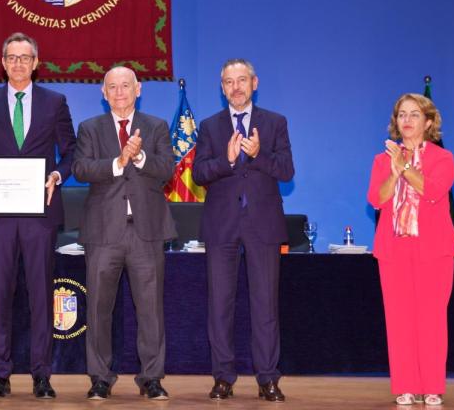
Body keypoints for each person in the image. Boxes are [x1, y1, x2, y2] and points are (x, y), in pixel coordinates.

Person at [0, 32, 77, 399]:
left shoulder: (55, 101)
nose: (18, 63)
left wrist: (58, 175)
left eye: (24, 57)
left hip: (39, 215)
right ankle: (0, 374)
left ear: (35, 62)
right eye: (11, 57)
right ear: (2, 62)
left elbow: (70, 152)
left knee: (41, 296)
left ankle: (42, 374)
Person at [192, 58, 294, 402]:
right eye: (228, 82)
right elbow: (199, 174)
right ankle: (223, 377)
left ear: (254, 83)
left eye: (241, 80)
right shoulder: (209, 126)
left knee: (265, 305)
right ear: (222, 88)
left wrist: (258, 153)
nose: (235, 87)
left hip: (262, 225)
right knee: (219, 305)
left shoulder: (275, 123)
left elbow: (286, 171)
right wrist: (230, 160)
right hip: (221, 226)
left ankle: (268, 378)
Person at [72, 66, 177, 400]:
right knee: (99, 309)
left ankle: (151, 378)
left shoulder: (156, 126)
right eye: (112, 87)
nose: (119, 92)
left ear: (138, 89)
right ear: (103, 93)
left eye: (125, 86)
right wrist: (118, 161)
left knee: (151, 310)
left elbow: (167, 169)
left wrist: (141, 155)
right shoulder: (89, 128)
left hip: (146, 232)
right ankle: (100, 377)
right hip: (104, 233)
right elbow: (81, 168)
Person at [367, 93, 454, 406]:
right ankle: (405, 385)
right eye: (402, 114)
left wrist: (405, 166)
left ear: (428, 122)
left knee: (432, 320)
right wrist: (394, 173)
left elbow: (431, 190)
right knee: (398, 319)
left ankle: (432, 385)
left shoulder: (443, 159)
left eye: (414, 115)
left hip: (433, 250)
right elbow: (377, 199)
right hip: (394, 250)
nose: (406, 120)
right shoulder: (382, 160)